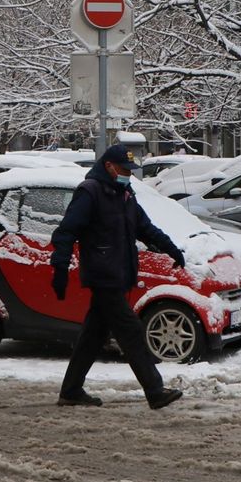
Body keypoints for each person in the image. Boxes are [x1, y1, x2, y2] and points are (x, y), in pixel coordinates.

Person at [50, 144, 185, 410]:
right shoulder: (89, 193)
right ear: (109, 166)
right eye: (124, 170)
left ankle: (71, 390)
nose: (129, 175)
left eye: (131, 171)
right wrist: (60, 268)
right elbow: (66, 232)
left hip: (119, 273)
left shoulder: (124, 194)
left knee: (94, 334)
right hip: (103, 276)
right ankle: (155, 391)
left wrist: (170, 248)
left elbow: (144, 227)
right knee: (130, 330)